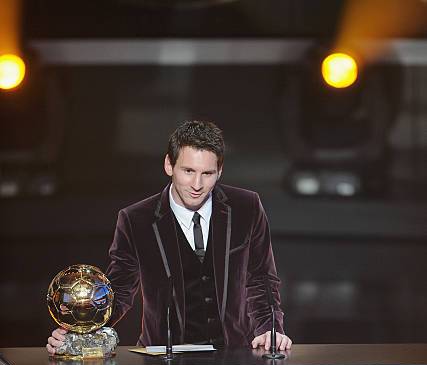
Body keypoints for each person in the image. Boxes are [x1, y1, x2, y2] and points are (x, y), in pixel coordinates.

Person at [47, 120, 292, 353]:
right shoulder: (136, 220)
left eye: (207, 173)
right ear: (169, 165)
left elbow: (261, 280)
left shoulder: (246, 207)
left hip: (233, 357)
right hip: (163, 360)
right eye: (188, 171)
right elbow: (119, 291)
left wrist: (270, 329)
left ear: (220, 171)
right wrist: (78, 333)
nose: (197, 184)